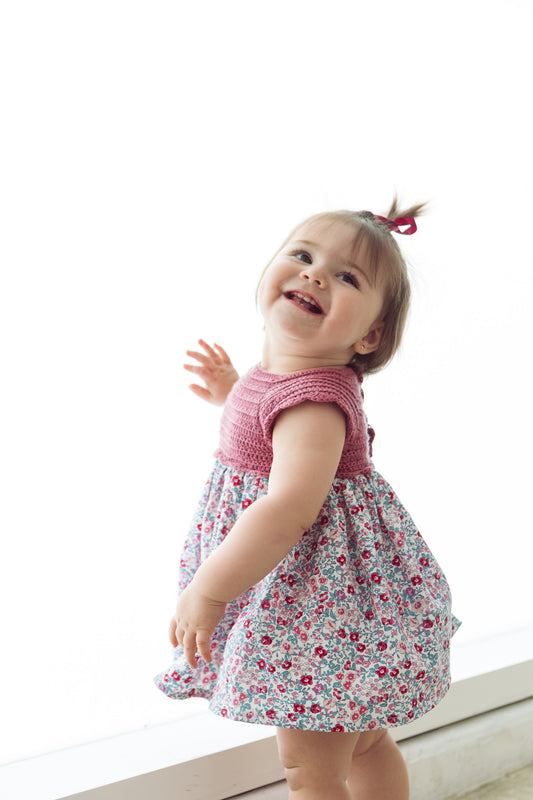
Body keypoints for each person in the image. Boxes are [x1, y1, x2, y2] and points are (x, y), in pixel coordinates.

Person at [154, 200, 460, 800]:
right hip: (331, 601)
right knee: (366, 741)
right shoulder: (286, 385)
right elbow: (268, 433)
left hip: (318, 603)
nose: (316, 274)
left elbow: (288, 508)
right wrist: (233, 393)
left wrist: (211, 589)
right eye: (302, 255)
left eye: (347, 277)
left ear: (369, 335)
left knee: (310, 767)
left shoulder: (314, 405)